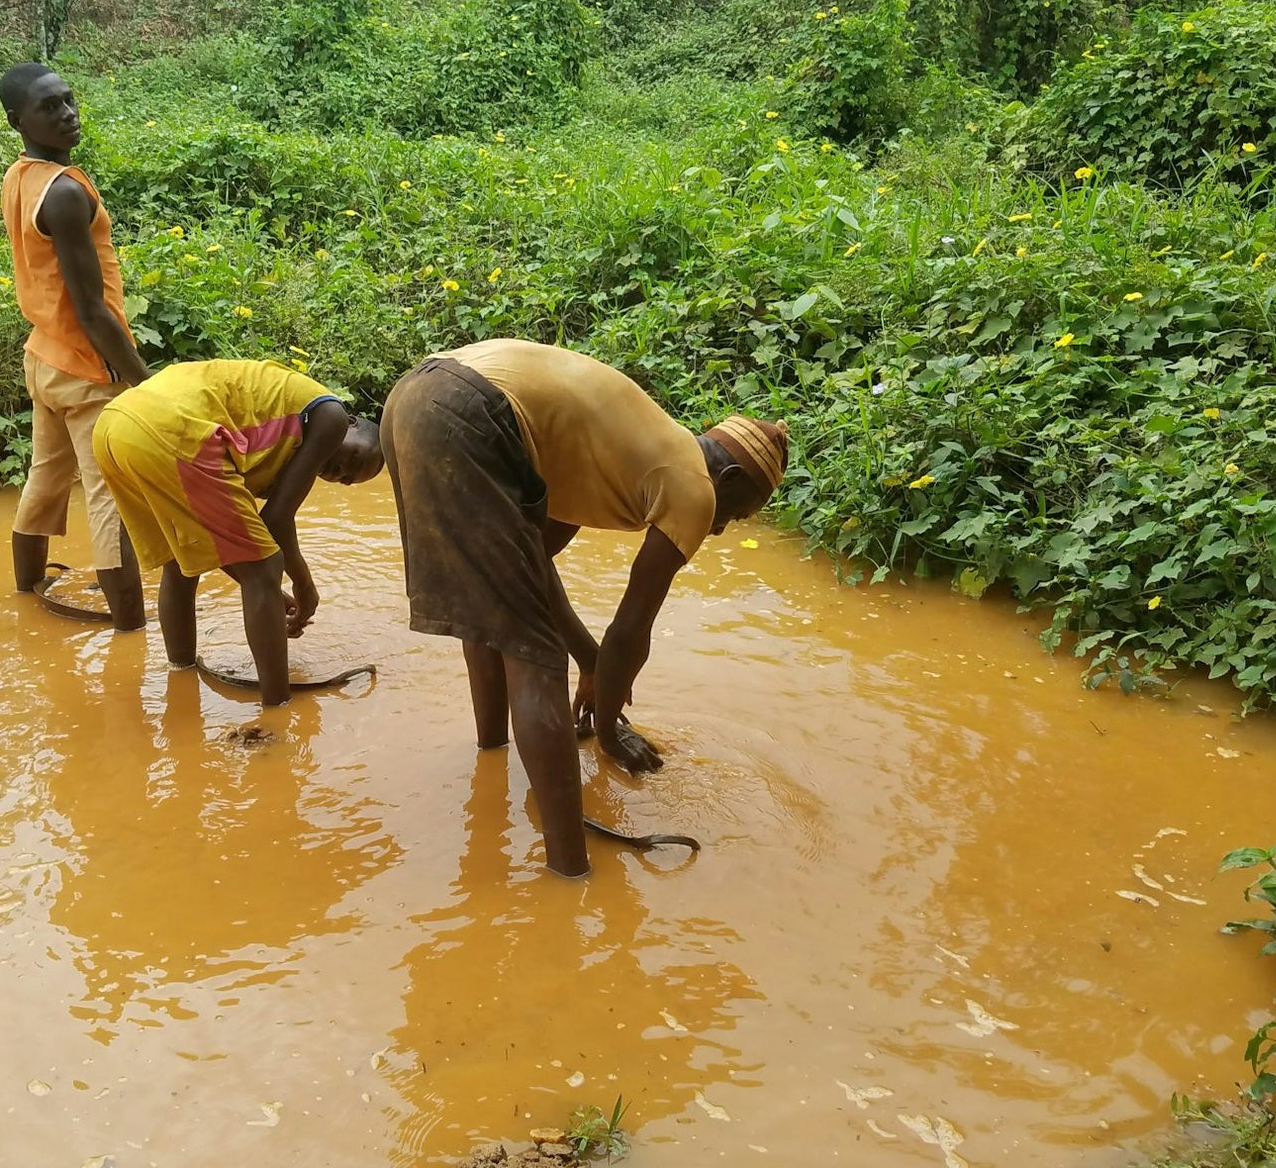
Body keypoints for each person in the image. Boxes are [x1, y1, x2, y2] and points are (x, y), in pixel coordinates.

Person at [380, 338, 788, 878]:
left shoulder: (607, 454)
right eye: (738, 514)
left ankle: (492, 757)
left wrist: (591, 663)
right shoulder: (694, 487)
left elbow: (532, 568)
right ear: (730, 482)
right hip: (472, 412)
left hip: (411, 399)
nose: (720, 527)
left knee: (489, 612)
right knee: (536, 661)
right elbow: (630, 631)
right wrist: (612, 728)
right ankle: (570, 875)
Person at [92, 359, 384, 705]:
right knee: (265, 568)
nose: (340, 471)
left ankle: (180, 678)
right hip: (172, 429)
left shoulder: (278, 441)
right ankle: (278, 710)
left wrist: (260, 586)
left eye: (348, 479)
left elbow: (237, 534)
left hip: (114, 426)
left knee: (182, 559)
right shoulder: (331, 417)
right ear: (351, 425)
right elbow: (275, 520)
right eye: (354, 458)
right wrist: (304, 587)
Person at [0, 62, 151, 631]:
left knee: (45, 479)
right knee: (112, 503)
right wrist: (143, 380)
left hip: (44, 357)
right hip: (87, 371)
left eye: (68, 101)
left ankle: (27, 594)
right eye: (49, 107)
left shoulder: (22, 176)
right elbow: (92, 310)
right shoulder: (63, 193)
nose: (67, 113)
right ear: (18, 121)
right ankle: (133, 630)